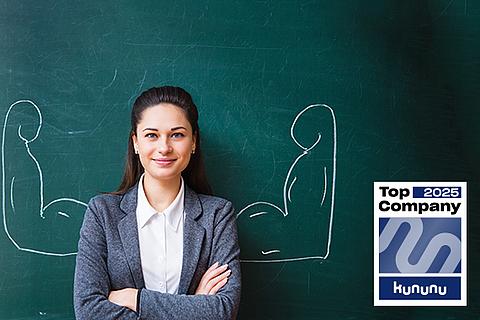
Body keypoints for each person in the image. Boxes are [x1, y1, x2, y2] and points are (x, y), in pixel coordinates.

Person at [73, 86, 241, 319]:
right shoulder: (102, 214)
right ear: (136, 142)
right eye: (152, 135)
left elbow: (223, 310)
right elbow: (88, 310)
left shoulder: (218, 215)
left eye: (177, 135)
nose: (164, 147)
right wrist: (194, 305)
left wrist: (135, 298)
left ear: (193, 142)